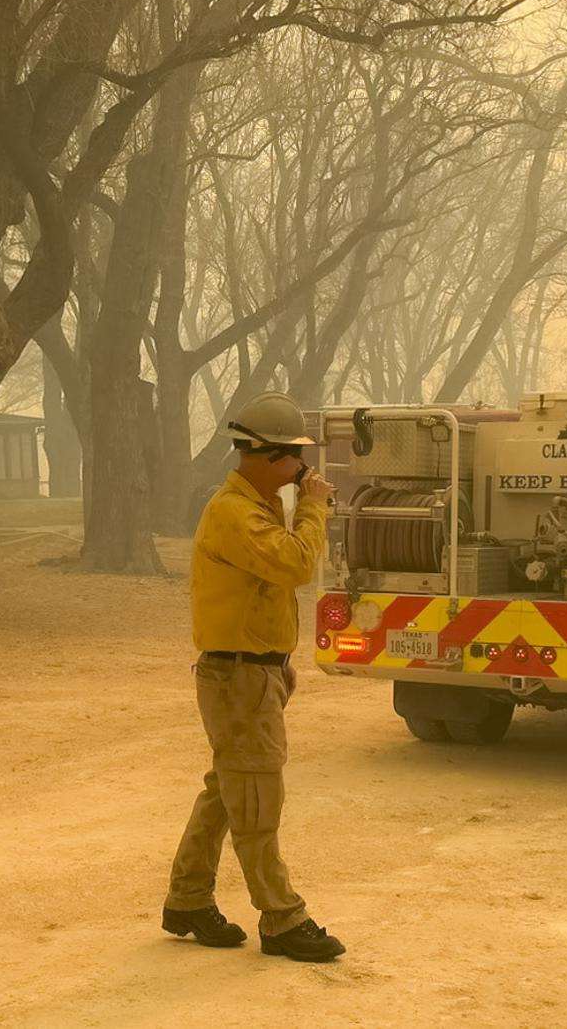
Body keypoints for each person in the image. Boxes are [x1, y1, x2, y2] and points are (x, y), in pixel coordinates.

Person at [161, 390, 346, 963]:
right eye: (297, 458)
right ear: (270, 457)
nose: (303, 469)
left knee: (230, 790)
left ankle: (188, 899)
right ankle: (283, 918)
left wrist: (279, 664)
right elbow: (295, 564)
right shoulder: (235, 513)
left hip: (251, 673)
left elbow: (266, 588)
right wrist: (314, 507)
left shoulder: (256, 507)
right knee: (258, 798)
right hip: (239, 677)